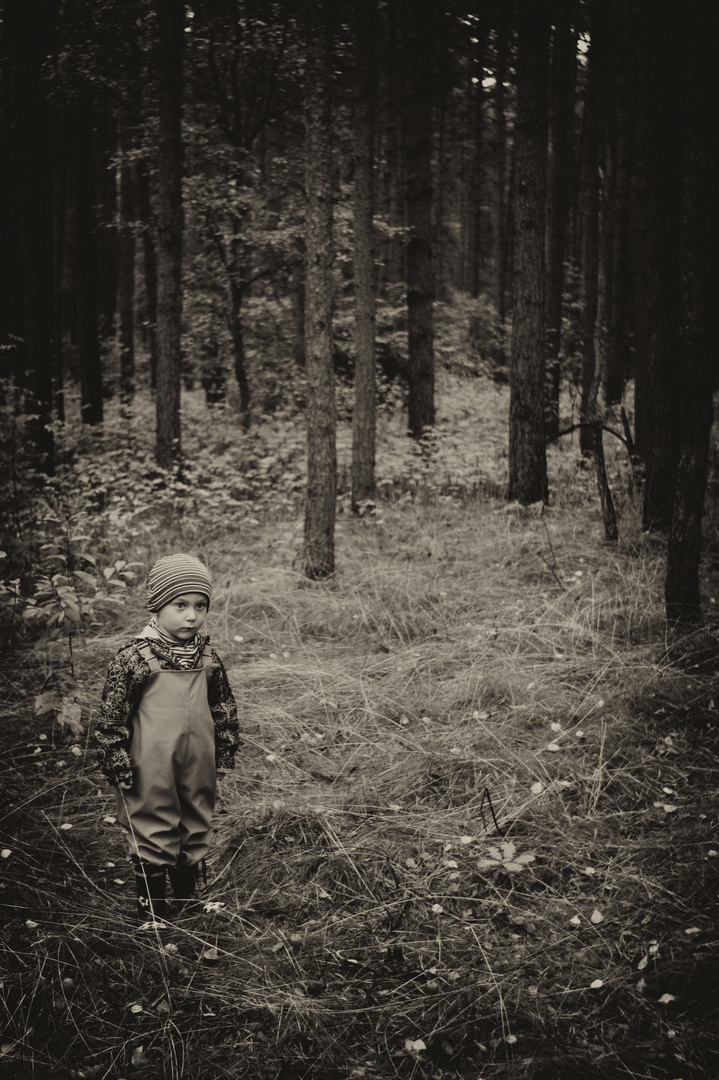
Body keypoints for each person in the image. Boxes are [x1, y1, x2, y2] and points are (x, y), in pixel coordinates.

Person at [95, 553, 240, 921]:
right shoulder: (136, 657)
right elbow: (112, 714)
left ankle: (187, 899)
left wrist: (224, 745)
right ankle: (152, 909)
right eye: (180, 605)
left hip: (197, 762)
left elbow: (223, 705)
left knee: (195, 819)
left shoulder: (207, 656)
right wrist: (114, 756)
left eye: (200, 605)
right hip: (150, 765)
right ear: (158, 606)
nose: (192, 615)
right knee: (153, 823)